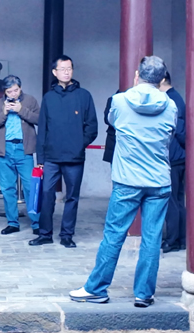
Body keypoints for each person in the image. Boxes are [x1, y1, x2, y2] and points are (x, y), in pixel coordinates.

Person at [70, 56, 176, 307]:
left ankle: (97, 288)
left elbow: (114, 123)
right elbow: (170, 134)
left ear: (137, 75)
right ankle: (144, 293)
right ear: (162, 79)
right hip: (159, 179)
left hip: (127, 179)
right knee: (152, 238)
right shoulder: (170, 105)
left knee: (114, 234)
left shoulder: (119, 100)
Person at [30, 55, 98, 248]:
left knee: (72, 197)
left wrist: (79, 144)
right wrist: (40, 157)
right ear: (55, 72)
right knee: (47, 194)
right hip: (51, 157)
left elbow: (92, 127)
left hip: (74, 157)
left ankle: (67, 235)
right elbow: (42, 129)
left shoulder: (84, 96)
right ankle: (45, 233)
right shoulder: (49, 97)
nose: (67, 72)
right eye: (63, 69)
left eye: (69, 68)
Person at [0, 75, 40, 235]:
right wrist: (3, 113)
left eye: (16, 90)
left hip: (24, 149)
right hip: (5, 149)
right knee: (8, 188)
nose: (13, 94)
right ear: (4, 91)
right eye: (9, 91)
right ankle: (12, 223)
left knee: (30, 187)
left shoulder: (30, 100)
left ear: (20, 88)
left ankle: (36, 223)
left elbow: (40, 120)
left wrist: (21, 110)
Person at [159, 72, 186, 253]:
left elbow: (180, 131)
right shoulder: (176, 97)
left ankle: (172, 240)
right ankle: (181, 239)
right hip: (179, 156)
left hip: (174, 157)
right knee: (178, 200)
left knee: (171, 201)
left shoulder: (171, 100)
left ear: (162, 80)